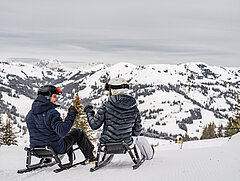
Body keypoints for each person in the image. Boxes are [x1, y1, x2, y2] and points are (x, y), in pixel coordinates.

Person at [25, 85, 95, 163]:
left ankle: (47, 157)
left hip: (36, 149)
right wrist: (71, 114)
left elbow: (41, 131)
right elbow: (62, 132)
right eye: (54, 96)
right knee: (78, 132)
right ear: (47, 97)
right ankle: (90, 157)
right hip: (55, 148)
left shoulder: (30, 114)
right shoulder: (52, 113)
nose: (57, 99)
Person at [83, 78, 142, 146]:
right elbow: (137, 131)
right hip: (126, 144)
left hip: (107, 144)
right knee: (141, 138)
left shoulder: (106, 106)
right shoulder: (134, 107)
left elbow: (94, 125)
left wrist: (89, 112)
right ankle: (149, 154)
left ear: (113, 90)